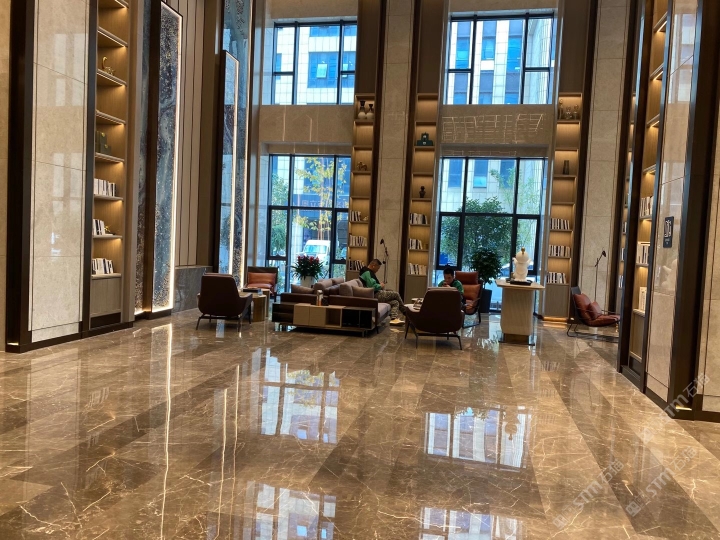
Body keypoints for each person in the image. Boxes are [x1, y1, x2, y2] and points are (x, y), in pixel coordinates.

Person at [359, 259, 406, 326]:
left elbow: (373, 284)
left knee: (395, 302)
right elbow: (371, 287)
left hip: (376, 294)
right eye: (378, 268)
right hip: (375, 295)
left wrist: (380, 285)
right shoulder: (367, 272)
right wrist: (380, 286)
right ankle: (406, 313)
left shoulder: (368, 272)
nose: (377, 270)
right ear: (373, 266)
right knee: (396, 294)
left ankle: (393, 319)